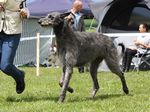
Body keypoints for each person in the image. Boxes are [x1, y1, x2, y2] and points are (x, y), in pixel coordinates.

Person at [0, 0, 29, 94]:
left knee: (5, 65)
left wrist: (24, 13)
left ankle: (19, 76)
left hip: (12, 31)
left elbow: (25, 9)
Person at [66, 0, 85, 73]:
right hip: (70, 37)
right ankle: (69, 68)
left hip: (79, 37)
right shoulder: (68, 14)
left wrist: (84, 35)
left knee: (81, 53)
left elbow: (83, 27)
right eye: (80, 6)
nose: (81, 8)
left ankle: (81, 69)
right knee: (71, 53)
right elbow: (65, 24)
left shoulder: (81, 15)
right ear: (76, 6)